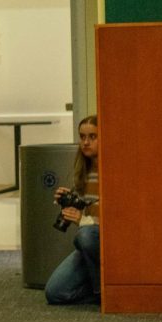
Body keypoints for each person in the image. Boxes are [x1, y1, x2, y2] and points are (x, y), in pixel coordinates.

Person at [46, 115, 101, 305]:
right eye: (82, 137)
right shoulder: (83, 170)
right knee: (54, 292)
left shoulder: (113, 170)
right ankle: (101, 291)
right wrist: (68, 201)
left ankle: (102, 290)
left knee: (85, 235)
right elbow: (86, 207)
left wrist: (83, 221)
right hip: (90, 244)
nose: (86, 142)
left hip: (106, 241)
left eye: (93, 137)